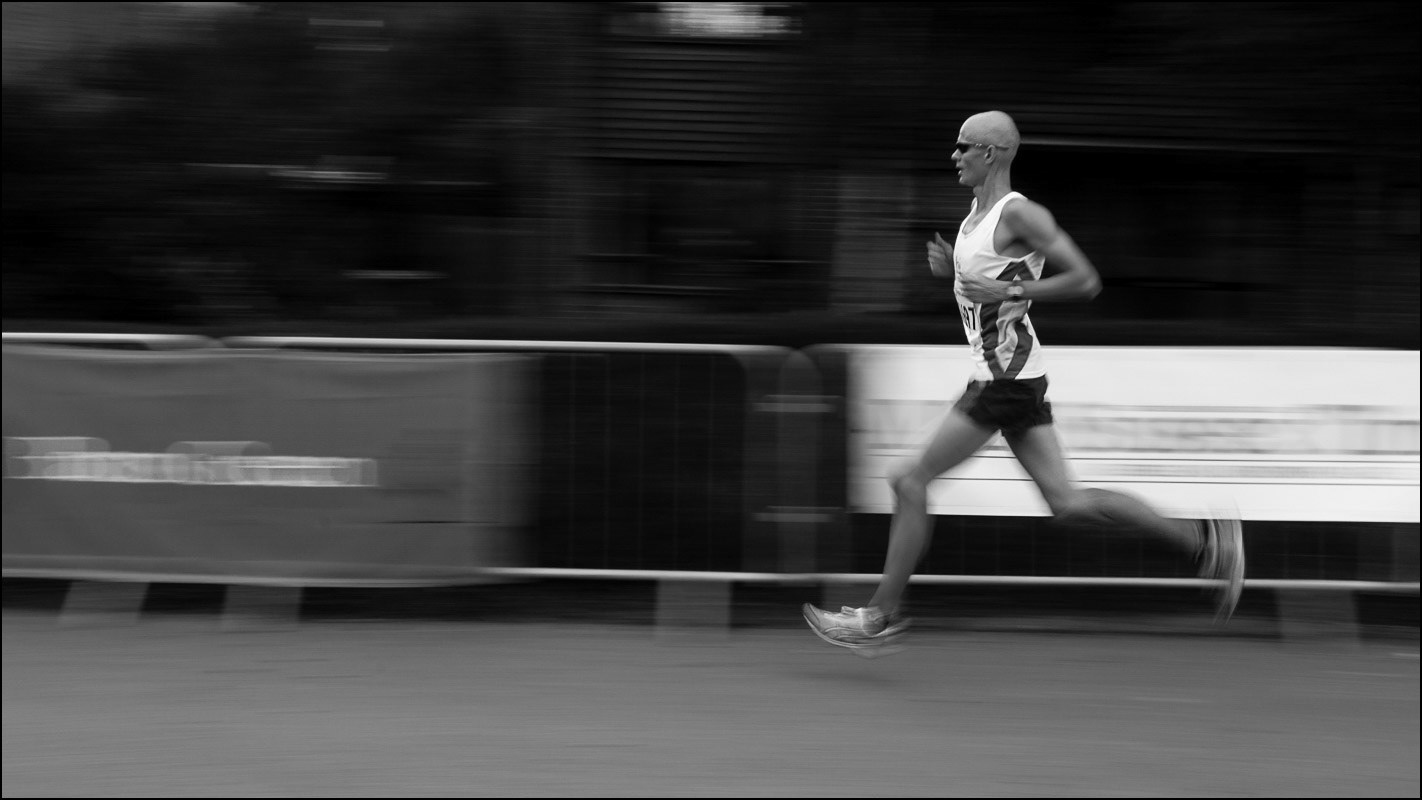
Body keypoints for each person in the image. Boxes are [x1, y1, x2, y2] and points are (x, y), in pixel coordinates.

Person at [802, 110, 1244, 657]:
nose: (954, 155)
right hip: (1014, 377)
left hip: (1004, 379)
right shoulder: (975, 215)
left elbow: (1086, 281)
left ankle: (879, 618)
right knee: (1069, 504)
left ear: (993, 153)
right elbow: (989, 283)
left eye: (964, 147)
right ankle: (1206, 541)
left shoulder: (1022, 213)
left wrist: (1009, 295)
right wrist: (954, 276)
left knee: (909, 479)